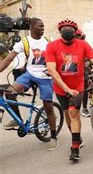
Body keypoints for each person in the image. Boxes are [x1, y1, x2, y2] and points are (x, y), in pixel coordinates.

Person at [45, 19, 93, 161]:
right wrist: (66, 89)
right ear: (60, 31)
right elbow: (51, 70)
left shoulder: (82, 45)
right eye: (65, 28)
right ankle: (76, 136)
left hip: (78, 86)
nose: (68, 30)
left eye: (71, 28)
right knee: (67, 115)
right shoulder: (52, 46)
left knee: (73, 113)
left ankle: (75, 147)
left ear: (75, 31)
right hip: (60, 88)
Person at [0, 18, 59, 150]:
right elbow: (9, 58)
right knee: (9, 93)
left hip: (46, 77)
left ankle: (54, 137)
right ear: (32, 27)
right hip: (29, 75)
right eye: (40, 26)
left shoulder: (50, 41)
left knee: (48, 106)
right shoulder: (25, 42)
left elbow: (60, 55)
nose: (42, 28)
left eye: (43, 26)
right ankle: (18, 120)